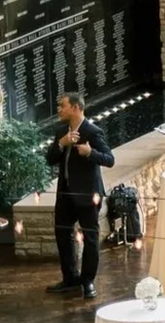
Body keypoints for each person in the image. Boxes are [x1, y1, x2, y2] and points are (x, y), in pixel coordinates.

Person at [45, 92, 115, 300]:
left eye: (62, 106)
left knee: (91, 237)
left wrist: (89, 153)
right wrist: (61, 144)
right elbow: (49, 159)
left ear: (76, 108)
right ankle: (70, 278)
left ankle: (88, 281)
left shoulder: (93, 132)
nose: (59, 109)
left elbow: (109, 159)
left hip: (87, 194)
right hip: (66, 194)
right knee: (62, 234)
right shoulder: (60, 131)